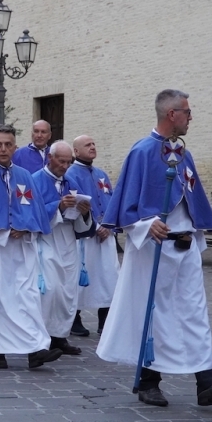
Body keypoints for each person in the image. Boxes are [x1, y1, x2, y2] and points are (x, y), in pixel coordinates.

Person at [97, 89, 212, 407]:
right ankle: (149, 382)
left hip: (184, 247)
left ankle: (208, 382)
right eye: (187, 112)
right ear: (171, 114)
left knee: (195, 314)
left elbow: (190, 199)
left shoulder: (183, 153)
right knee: (152, 313)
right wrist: (146, 224)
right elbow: (125, 205)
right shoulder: (142, 152)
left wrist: (194, 231)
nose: (191, 117)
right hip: (154, 247)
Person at [0, 124, 62, 369]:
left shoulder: (25, 176)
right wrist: (3, 231)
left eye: (8, 144)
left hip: (22, 250)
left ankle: (35, 350)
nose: (4, 149)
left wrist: (26, 228)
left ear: (15, 147)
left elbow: (36, 211)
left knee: (27, 298)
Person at [32, 140, 94, 356]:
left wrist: (84, 211)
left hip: (68, 240)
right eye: (61, 161)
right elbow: (32, 213)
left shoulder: (70, 180)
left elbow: (80, 217)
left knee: (67, 290)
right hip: (46, 241)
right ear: (50, 157)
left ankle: (60, 336)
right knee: (49, 290)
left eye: (69, 162)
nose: (65, 166)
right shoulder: (36, 181)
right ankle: (42, 339)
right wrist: (58, 205)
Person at [65, 135, 119, 336]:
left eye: (94, 144)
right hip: (86, 236)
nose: (93, 147)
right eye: (87, 145)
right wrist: (95, 226)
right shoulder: (71, 175)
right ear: (76, 151)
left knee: (109, 277)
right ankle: (74, 318)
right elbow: (76, 204)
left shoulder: (102, 174)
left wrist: (109, 225)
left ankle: (105, 320)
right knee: (81, 277)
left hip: (106, 234)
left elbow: (112, 202)